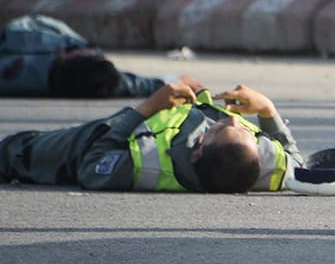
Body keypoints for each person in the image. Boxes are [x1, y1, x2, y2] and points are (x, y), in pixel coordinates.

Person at [0, 79, 301, 193]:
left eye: (219, 128)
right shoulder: (255, 164)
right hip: (169, 113)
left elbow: (92, 165)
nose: (233, 123)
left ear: (197, 151)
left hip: (105, 136)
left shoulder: (147, 165)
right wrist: (266, 111)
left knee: (15, 151)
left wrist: (147, 107)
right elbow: (298, 167)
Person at [1, 15, 164, 98]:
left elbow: (28, 23)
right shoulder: (103, 80)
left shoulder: (34, 42)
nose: (96, 52)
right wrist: (167, 83)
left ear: (68, 56)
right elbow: (132, 84)